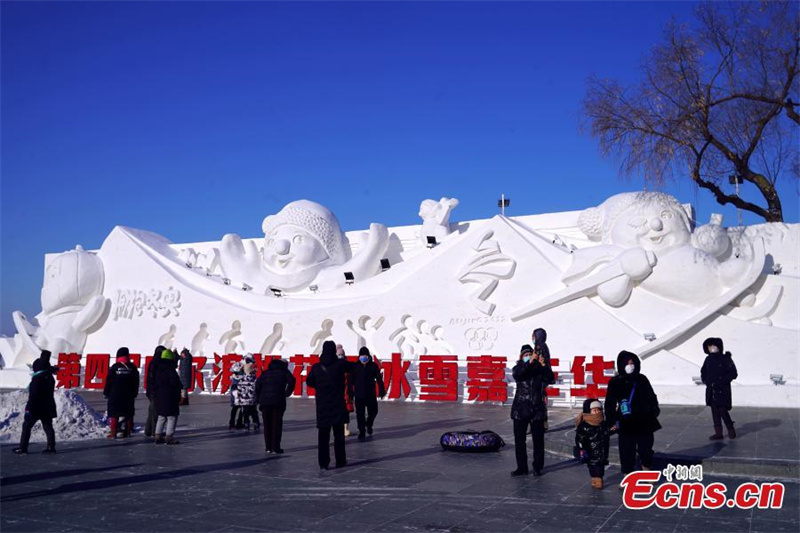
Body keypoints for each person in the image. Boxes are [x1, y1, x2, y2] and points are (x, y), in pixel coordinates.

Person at [605, 350, 661, 483]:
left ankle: (646, 468)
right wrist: (611, 421)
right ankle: (627, 475)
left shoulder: (642, 379)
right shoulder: (615, 382)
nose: (630, 366)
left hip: (644, 421)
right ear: (621, 365)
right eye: (627, 363)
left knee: (646, 448)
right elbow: (610, 404)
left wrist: (654, 411)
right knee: (626, 451)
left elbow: (652, 397)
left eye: (632, 363)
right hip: (626, 422)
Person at [510, 342, 554, 476]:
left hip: (537, 409)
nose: (529, 357)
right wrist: (529, 362)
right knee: (519, 441)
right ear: (521, 356)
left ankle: (538, 467)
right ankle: (522, 467)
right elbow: (519, 374)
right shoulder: (518, 367)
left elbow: (550, 379)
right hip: (520, 408)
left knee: (538, 440)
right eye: (526, 355)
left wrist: (544, 365)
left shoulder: (539, 369)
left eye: (530, 354)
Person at [306, 340, 349, 470]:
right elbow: (352, 368)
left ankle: (323, 463)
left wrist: (320, 386)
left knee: (323, 437)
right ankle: (340, 460)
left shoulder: (316, 367)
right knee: (339, 436)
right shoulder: (340, 365)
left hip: (323, 405)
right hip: (337, 404)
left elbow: (309, 382)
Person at [14, 350, 58, 455]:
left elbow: (33, 396)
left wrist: (29, 408)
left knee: (27, 427)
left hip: (36, 407)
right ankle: (51, 447)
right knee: (48, 427)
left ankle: (23, 448)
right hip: (47, 406)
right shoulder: (49, 378)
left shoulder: (37, 379)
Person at [255, 357, 296, 453]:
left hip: (265, 401)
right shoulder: (284, 372)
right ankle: (276, 447)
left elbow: (257, 385)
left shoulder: (265, 373)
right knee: (276, 424)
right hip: (278, 401)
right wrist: (287, 392)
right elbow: (292, 381)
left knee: (267, 425)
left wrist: (259, 397)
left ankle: (268, 447)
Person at [700, 337, 738, 440]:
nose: (712, 348)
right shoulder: (708, 359)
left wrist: (722, 381)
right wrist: (706, 380)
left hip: (722, 390)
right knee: (714, 411)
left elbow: (733, 373)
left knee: (722, 410)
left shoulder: (725, 358)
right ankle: (718, 433)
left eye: (713, 346)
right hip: (711, 390)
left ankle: (730, 429)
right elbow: (703, 371)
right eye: (709, 346)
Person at [575, 398, 613, 489]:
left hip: (602, 449)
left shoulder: (603, 423)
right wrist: (581, 448)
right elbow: (579, 438)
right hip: (590, 450)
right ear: (589, 411)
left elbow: (607, 432)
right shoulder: (584, 425)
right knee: (592, 466)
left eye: (599, 410)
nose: (597, 412)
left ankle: (599, 479)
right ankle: (594, 478)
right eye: (594, 410)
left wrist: (613, 429)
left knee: (600, 467)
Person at [103, 347, 139, 439]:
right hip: (128, 395)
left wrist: (106, 392)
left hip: (115, 395)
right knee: (128, 413)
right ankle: (128, 431)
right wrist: (135, 393)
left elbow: (109, 381)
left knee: (114, 414)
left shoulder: (114, 368)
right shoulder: (133, 368)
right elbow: (136, 382)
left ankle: (113, 433)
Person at [352, 347, 386, 441]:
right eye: (362, 355)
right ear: (359, 356)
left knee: (374, 411)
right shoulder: (355, 366)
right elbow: (351, 381)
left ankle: (369, 424)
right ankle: (362, 431)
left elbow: (379, 379)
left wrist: (382, 390)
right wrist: (350, 393)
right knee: (360, 414)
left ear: (368, 356)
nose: (363, 357)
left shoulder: (373, 366)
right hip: (359, 394)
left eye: (365, 355)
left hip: (370, 393)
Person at [153, 348, 183, 444]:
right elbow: (175, 384)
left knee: (161, 416)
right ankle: (169, 436)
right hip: (170, 396)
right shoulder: (171, 370)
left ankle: (157, 435)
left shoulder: (158, 369)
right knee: (172, 417)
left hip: (160, 396)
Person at [145, 345, 166, 439]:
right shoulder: (158, 363)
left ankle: (148, 430)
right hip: (155, 391)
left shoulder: (153, 362)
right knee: (155, 412)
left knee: (151, 411)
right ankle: (154, 431)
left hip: (151, 390)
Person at [237, 354, 260, 432]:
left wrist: (239, 399)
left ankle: (246, 424)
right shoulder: (255, 380)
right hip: (253, 400)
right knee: (254, 413)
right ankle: (256, 423)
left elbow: (239, 390)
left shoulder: (241, 380)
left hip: (244, 401)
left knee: (245, 413)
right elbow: (257, 390)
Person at [336, 344, 355, 437]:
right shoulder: (333, 366)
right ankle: (338, 427)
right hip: (336, 393)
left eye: (342, 354)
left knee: (346, 411)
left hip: (347, 392)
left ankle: (345, 428)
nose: (340, 356)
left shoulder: (348, 365)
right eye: (339, 354)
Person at [228, 361, 245, 430]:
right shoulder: (242, 377)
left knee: (234, 409)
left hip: (234, 393)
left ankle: (231, 423)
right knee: (241, 409)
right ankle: (239, 423)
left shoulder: (233, 377)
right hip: (240, 393)